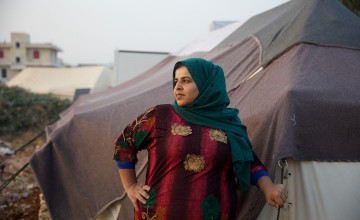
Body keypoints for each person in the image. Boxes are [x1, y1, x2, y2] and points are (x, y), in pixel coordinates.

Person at [113, 58, 287, 219]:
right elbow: (124, 144)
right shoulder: (160, 116)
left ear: (207, 85)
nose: (178, 86)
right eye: (176, 81)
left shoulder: (228, 124)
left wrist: (269, 188)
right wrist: (131, 187)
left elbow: (247, 162)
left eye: (186, 80)